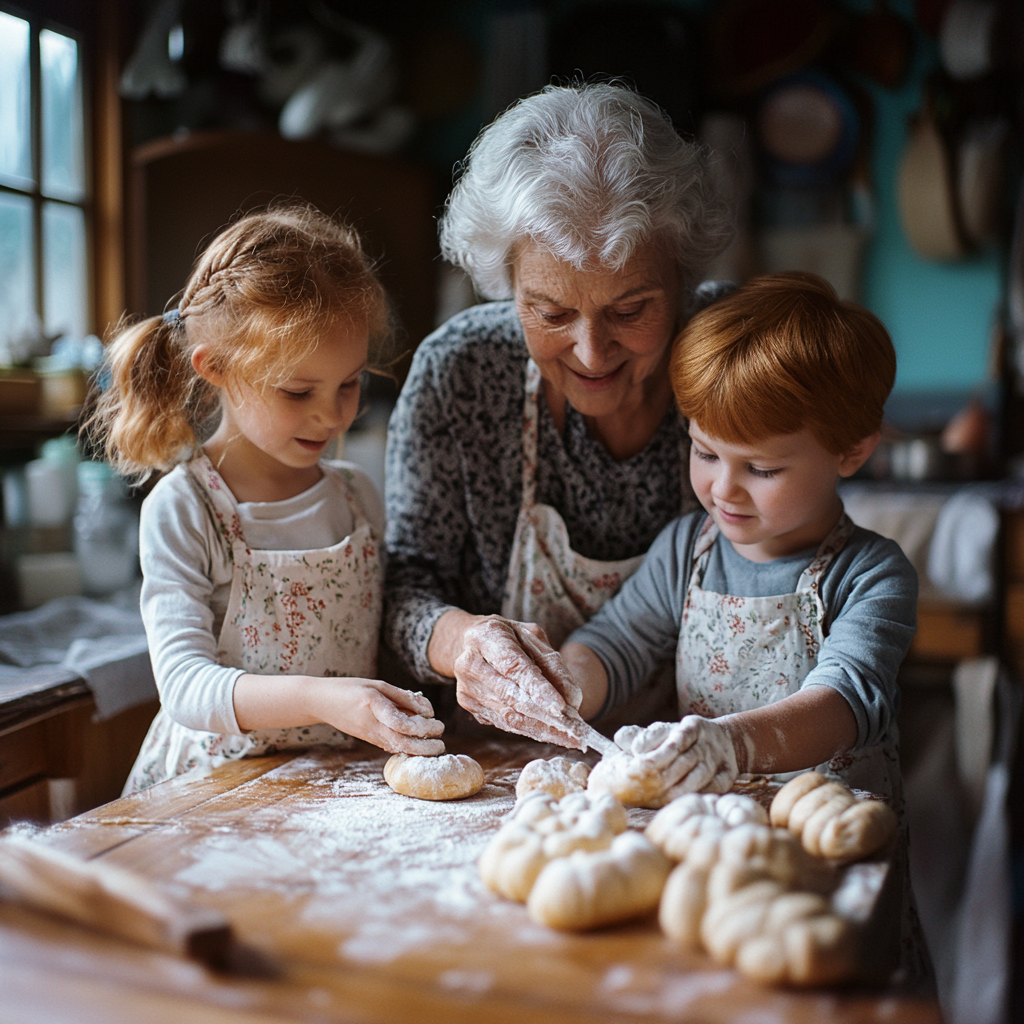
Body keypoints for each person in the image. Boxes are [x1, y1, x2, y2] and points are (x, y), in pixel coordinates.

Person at [560, 271, 933, 985]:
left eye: (759, 467)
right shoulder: (684, 550)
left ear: (852, 451)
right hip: (714, 848)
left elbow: (845, 700)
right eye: (705, 453)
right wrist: (563, 681)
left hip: (828, 865)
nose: (722, 490)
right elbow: (618, 643)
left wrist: (730, 742)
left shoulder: (872, 575)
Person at [384, 82, 733, 747]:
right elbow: (403, 590)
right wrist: (465, 643)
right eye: (551, 313)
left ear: (683, 276)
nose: (593, 352)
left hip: (713, 763)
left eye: (631, 310)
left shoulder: (735, 350)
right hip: (504, 771)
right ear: (505, 283)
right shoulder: (463, 372)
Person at [84, 204, 445, 793]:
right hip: (214, 793)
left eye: (349, 383)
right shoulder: (187, 509)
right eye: (298, 390)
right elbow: (185, 689)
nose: (331, 414)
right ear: (218, 368)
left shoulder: (355, 496)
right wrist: (320, 699)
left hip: (332, 785)